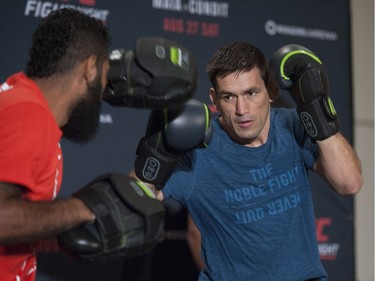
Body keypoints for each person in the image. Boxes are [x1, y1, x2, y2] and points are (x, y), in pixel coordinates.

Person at [133, 41, 363, 280]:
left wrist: (317, 109)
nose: (241, 109)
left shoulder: (292, 125)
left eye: (251, 93)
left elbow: (349, 183)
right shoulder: (198, 148)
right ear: (215, 99)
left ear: (271, 91)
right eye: (229, 97)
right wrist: (157, 149)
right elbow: (137, 195)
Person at [0, 8, 112, 280]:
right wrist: (84, 208)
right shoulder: (29, 115)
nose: (105, 88)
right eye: (106, 73)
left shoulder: (23, 101)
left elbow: (18, 223)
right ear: (91, 68)